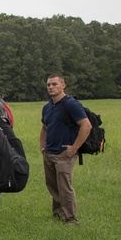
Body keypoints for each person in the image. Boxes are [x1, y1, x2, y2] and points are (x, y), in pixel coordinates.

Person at [40, 74, 92, 225]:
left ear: (63, 85)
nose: (51, 87)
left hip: (64, 154)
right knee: (52, 185)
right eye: (49, 84)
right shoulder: (47, 107)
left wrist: (74, 148)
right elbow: (44, 128)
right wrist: (42, 146)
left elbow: (86, 125)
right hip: (49, 152)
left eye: (54, 84)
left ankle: (70, 218)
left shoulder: (71, 104)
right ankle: (58, 213)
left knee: (64, 187)